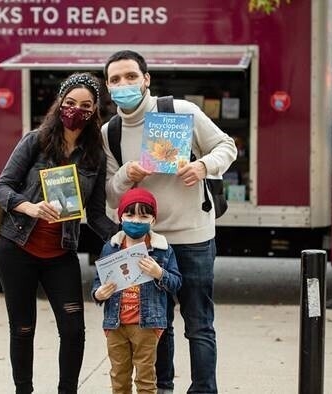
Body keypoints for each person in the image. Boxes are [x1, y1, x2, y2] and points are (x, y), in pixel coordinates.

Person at [102, 50, 238, 394]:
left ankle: (204, 389)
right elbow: (109, 196)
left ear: (146, 79)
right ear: (108, 86)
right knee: (154, 324)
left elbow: (227, 146)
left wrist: (203, 166)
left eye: (131, 77)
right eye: (116, 79)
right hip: (147, 242)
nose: (124, 85)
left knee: (199, 324)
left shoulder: (180, 111)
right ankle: (163, 388)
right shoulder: (110, 132)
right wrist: (123, 175)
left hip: (193, 236)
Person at [0, 72, 119, 394]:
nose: (76, 110)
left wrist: (122, 237)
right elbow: (3, 187)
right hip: (17, 246)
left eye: (85, 106)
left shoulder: (95, 155)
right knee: (22, 329)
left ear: (94, 112)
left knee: (74, 330)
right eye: (70, 103)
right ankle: (24, 390)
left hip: (61, 252)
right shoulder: (35, 141)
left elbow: (94, 214)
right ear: (60, 104)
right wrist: (30, 207)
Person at [92, 187, 181, 394]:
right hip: (116, 324)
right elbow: (98, 283)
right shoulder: (111, 247)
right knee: (119, 377)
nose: (136, 220)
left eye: (144, 215)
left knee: (146, 378)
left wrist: (159, 273)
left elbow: (176, 283)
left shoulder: (162, 249)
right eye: (130, 214)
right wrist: (99, 294)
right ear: (120, 217)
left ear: (153, 220)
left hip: (147, 325)